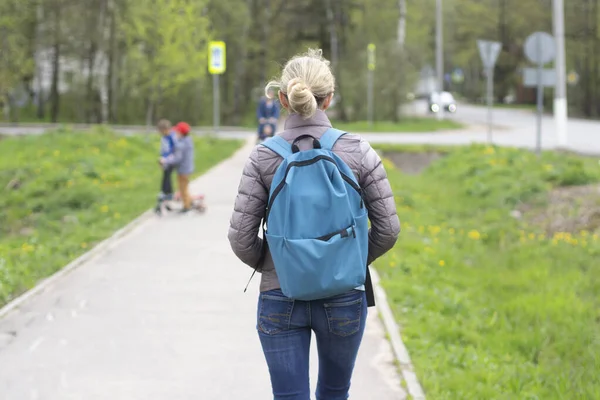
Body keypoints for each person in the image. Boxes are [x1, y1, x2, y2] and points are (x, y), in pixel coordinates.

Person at [228, 49, 400, 400]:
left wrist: (278, 264)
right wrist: (347, 260)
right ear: (330, 98)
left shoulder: (263, 156)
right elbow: (388, 230)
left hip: (280, 293)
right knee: (335, 393)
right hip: (343, 297)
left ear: (282, 99)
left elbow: (241, 239)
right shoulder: (359, 151)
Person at [161, 122, 195, 213]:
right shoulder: (188, 140)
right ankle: (189, 201)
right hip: (188, 168)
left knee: (182, 188)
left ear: (181, 133)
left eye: (177, 132)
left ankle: (187, 206)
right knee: (185, 187)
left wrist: (165, 160)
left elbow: (177, 158)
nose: (175, 134)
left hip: (183, 170)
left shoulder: (182, 145)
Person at [154, 119, 176, 215]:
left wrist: (166, 159)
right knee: (165, 178)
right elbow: (163, 150)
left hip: (170, 160)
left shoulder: (171, 137)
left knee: (167, 179)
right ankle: (166, 195)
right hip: (165, 160)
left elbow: (173, 150)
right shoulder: (164, 138)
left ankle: (167, 196)